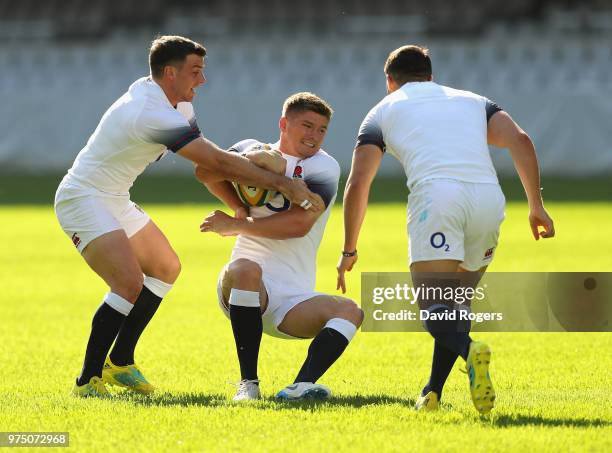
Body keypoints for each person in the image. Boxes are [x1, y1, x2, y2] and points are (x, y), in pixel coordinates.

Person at [54, 35, 321, 398]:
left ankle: (119, 362)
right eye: (195, 72)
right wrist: (286, 185)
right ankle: (87, 381)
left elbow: (209, 165)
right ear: (169, 73)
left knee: (166, 267)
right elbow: (216, 162)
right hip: (82, 198)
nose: (203, 80)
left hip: (114, 196)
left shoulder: (174, 104)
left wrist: (241, 201)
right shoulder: (151, 111)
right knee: (128, 283)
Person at [336, 45, 555, 414]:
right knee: (456, 302)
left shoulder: (382, 110)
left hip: (438, 198)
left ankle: (471, 350)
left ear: (390, 81)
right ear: (430, 75)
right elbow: (521, 140)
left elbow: (358, 183)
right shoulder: (474, 101)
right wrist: (536, 205)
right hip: (488, 199)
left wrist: (349, 249)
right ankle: (432, 393)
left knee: (433, 305)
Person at [198, 92, 363, 401]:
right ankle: (248, 385)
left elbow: (299, 225)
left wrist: (236, 225)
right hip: (243, 289)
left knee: (351, 310)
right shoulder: (251, 148)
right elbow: (205, 171)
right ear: (283, 123)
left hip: (293, 300)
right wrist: (240, 199)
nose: (314, 136)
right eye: (307, 125)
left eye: (322, 130)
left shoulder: (323, 168)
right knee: (247, 267)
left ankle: (299, 387)